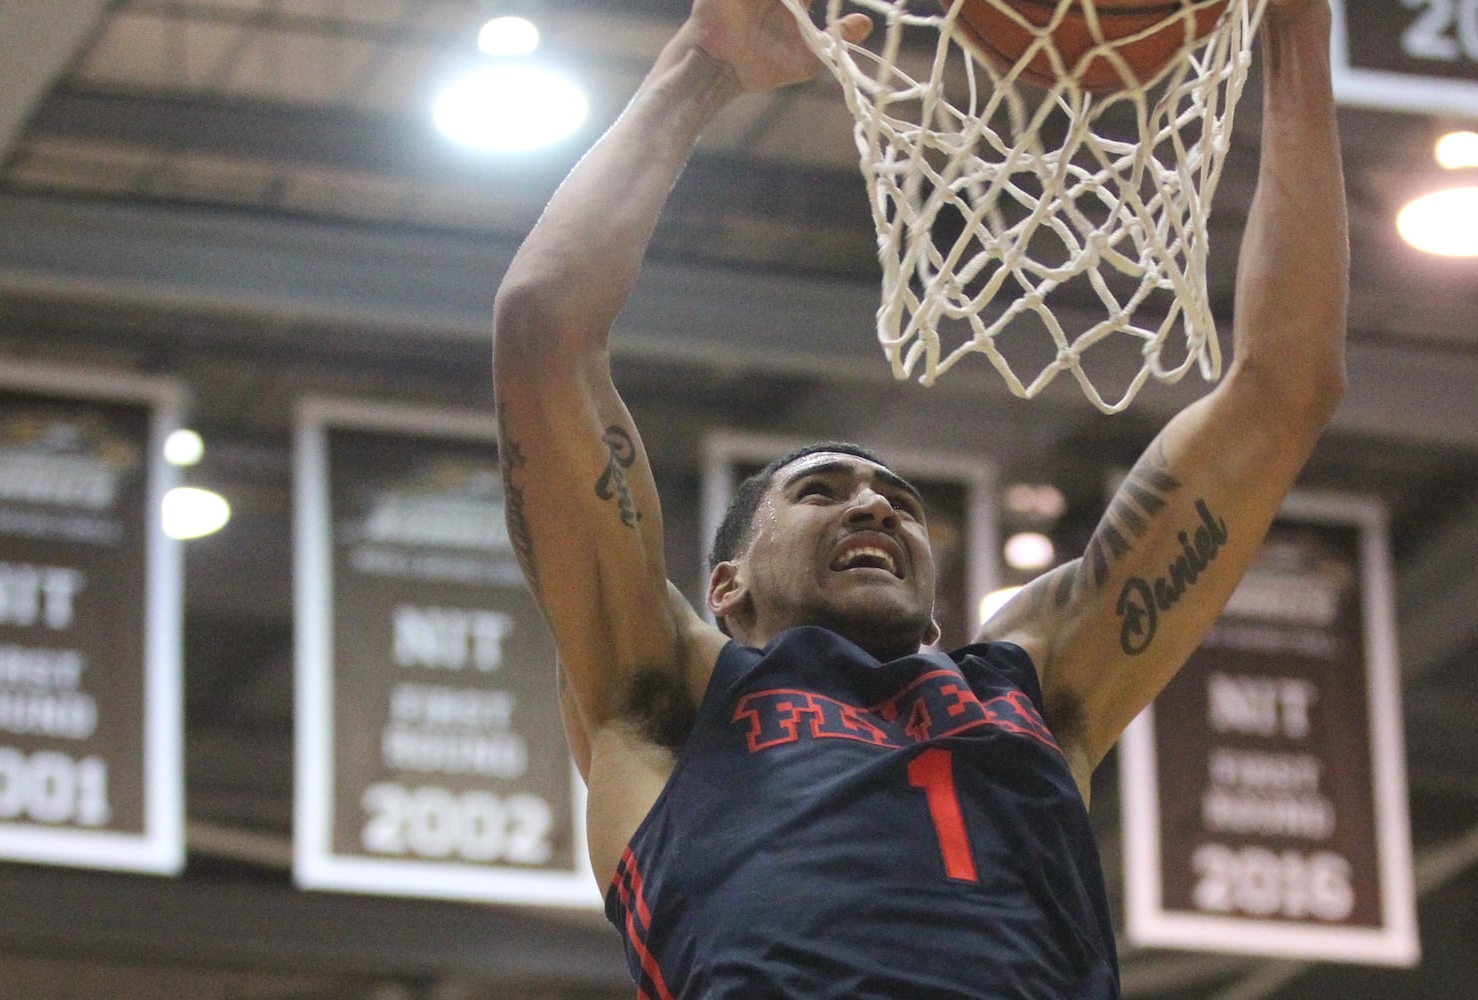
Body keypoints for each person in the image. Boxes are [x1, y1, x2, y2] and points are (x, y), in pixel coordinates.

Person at [492, 0, 1345, 995]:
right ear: (726, 587)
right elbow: (540, 330)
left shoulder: (1037, 683)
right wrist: (701, 67)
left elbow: (1287, 390)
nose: (874, 505)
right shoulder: (666, 697)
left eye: (896, 497)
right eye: (821, 491)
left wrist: (1295, 38)